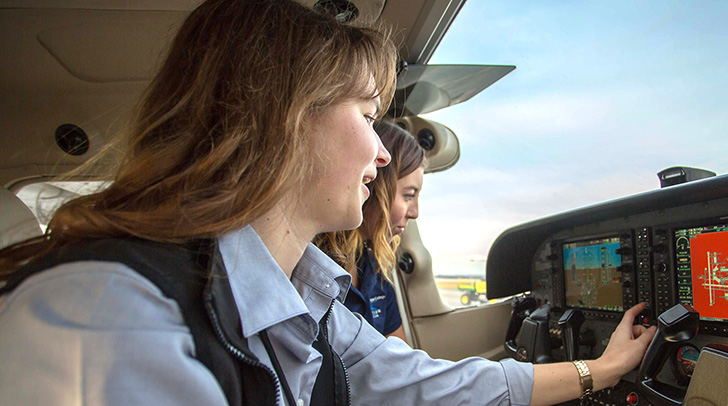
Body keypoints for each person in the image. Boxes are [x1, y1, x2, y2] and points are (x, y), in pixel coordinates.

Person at [0, 0, 656, 405]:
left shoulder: (297, 299)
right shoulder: (110, 318)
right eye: (369, 115)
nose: (380, 152)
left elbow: (430, 386)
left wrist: (599, 369)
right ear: (284, 117)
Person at [315, 121, 424, 341]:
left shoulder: (376, 273)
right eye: (408, 195)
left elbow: (400, 358)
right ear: (372, 184)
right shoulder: (314, 269)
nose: (415, 212)